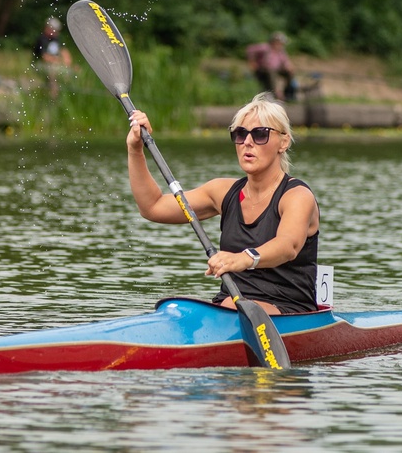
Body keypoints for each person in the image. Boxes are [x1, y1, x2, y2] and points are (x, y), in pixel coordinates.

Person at [126, 92, 320, 315]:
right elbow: (153, 207)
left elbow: (289, 246)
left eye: (260, 134)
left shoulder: (297, 196)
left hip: (289, 309)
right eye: (240, 134)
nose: (247, 142)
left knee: (229, 306)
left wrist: (243, 259)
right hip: (232, 305)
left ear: (283, 142)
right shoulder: (222, 192)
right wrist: (135, 150)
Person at [246, 32, 298, 102]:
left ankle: (287, 94)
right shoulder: (265, 47)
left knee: (289, 73)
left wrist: (289, 67)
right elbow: (250, 49)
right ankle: (274, 94)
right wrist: (252, 62)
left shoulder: (281, 51)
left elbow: (285, 62)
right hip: (264, 70)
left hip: (277, 69)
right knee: (271, 72)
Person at [32, 17, 74, 98]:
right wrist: (61, 62)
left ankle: (66, 96)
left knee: (72, 72)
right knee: (53, 73)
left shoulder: (56, 39)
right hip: (40, 64)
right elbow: (45, 57)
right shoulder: (42, 39)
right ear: (47, 28)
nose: (56, 32)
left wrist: (68, 61)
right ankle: (53, 98)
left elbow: (64, 51)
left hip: (55, 64)